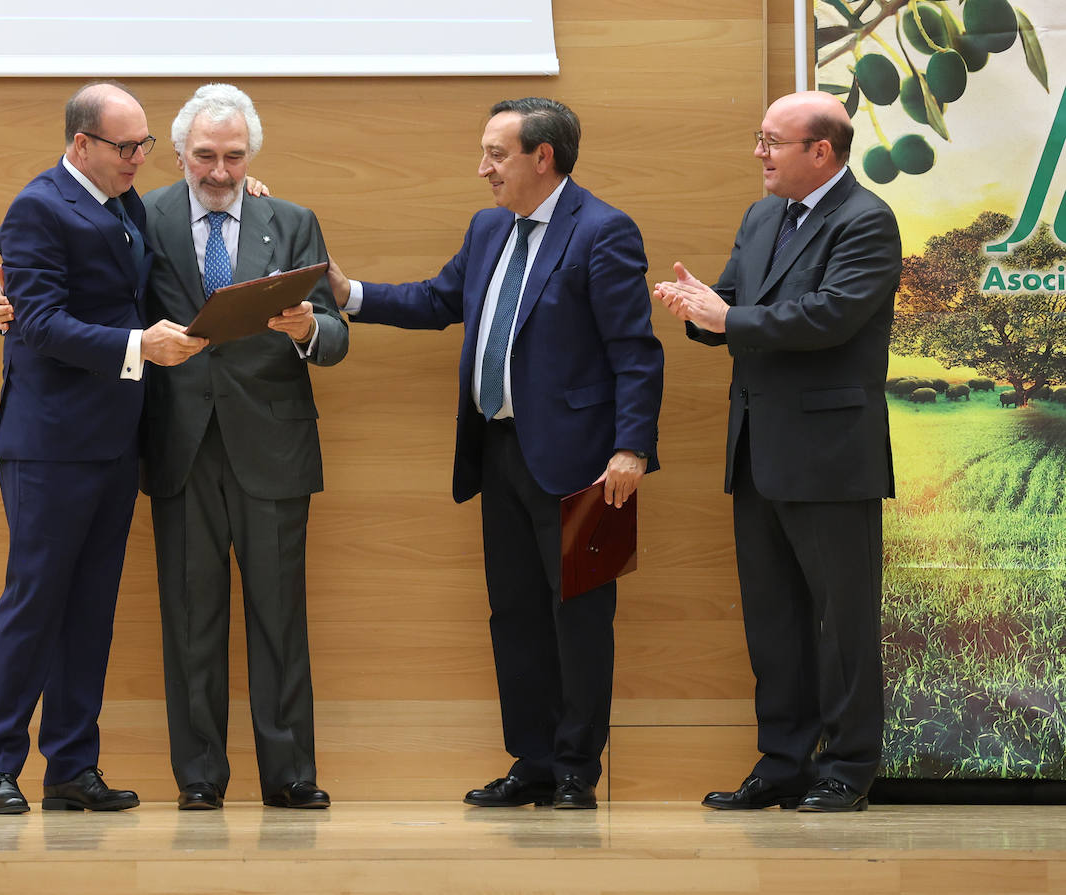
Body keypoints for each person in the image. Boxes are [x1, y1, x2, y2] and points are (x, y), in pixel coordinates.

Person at [0, 83, 345, 811]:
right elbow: (68, 298)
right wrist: (11, 310)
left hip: (264, 445)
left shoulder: (286, 218)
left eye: (235, 158)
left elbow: (335, 329)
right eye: (205, 156)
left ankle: (281, 774)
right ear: (179, 155)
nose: (220, 173)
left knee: (266, 619)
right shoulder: (135, 211)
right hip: (165, 440)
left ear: (252, 157)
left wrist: (312, 330)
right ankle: (190, 779)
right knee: (177, 619)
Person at [327, 97, 664, 810]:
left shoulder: (604, 231)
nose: (483, 169)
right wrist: (347, 292)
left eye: (496, 154)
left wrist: (632, 446)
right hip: (501, 452)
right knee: (514, 615)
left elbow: (635, 353)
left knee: (579, 619)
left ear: (542, 157)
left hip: (586, 465)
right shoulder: (489, 229)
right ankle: (533, 761)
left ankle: (577, 769)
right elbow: (437, 299)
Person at [654, 90, 901, 813]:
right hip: (757, 448)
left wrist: (728, 316)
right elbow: (735, 305)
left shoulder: (867, 221)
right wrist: (702, 310)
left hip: (830, 454)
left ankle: (847, 766)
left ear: (820, 152)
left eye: (771, 140)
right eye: (758, 137)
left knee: (841, 620)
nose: (758, 152)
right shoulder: (763, 215)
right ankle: (783, 760)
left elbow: (827, 317)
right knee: (774, 619)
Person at [0, 81, 207, 815]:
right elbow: (36, 321)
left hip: (111, 439)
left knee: (91, 608)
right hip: (50, 442)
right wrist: (140, 344)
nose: (141, 156)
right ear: (82, 144)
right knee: (36, 600)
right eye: (127, 145)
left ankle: (72, 766)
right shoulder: (39, 206)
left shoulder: (123, 200)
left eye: (144, 143)